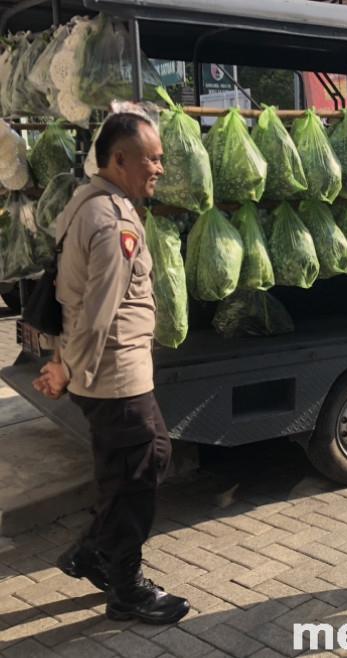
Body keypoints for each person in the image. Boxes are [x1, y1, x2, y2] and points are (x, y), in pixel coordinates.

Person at [33, 112, 190, 625]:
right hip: (113, 375)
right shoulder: (113, 220)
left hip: (112, 373)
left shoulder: (90, 202)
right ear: (119, 159)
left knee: (152, 455)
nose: (160, 168)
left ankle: (92, 551)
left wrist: (64, 363)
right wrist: (65, 369)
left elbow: (72, 298)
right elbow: (97, 312)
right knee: (133, 477)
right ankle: (126, 589)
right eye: (153, 158)